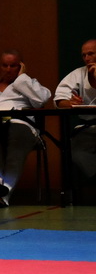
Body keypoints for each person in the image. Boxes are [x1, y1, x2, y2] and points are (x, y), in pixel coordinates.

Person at [0, 50, 51, 208]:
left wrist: (22, 79)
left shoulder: (28, 84)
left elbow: (41, 100)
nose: (8, 69)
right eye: (5, 65)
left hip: (21, 125)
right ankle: (0, 191)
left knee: (15, 154)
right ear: (0, 66)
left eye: (13, 65)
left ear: (21, 66)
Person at [54, 39, 96, 181]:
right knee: (74, 151)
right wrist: (70, 102)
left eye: (91, 54)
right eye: (84, 55)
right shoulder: (78, 74)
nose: (87, 58)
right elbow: (59, 100)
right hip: (88, 127)